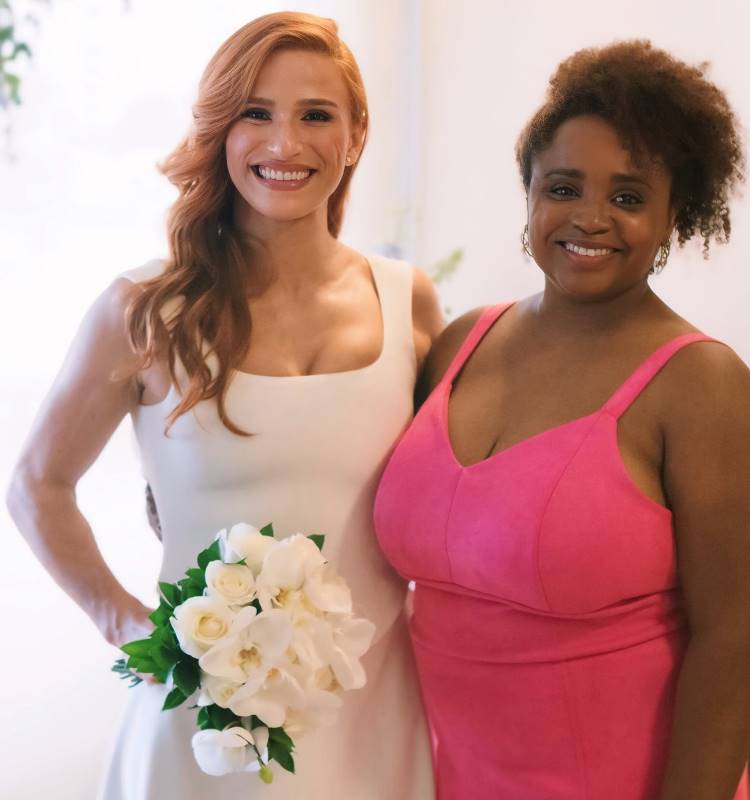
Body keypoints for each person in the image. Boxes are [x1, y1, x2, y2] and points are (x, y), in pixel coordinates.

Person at [7, 12, 442, 800]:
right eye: (256, 113)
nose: (286, 144)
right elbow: (37, 484)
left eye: (316, 114)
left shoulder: (407, 302)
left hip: (375, 717)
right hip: (197, 728)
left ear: (356, 134)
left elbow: (453, 505)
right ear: (220, 129)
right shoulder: (143, 311)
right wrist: (125, 623)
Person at [375, 40, 749, 800]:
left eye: (628, 196)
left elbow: (736, 638)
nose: (590, 218)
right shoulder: (460, 343)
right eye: (565, 187)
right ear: (530, 195)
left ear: (677, 213)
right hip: (445, 777)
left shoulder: (702, 385)